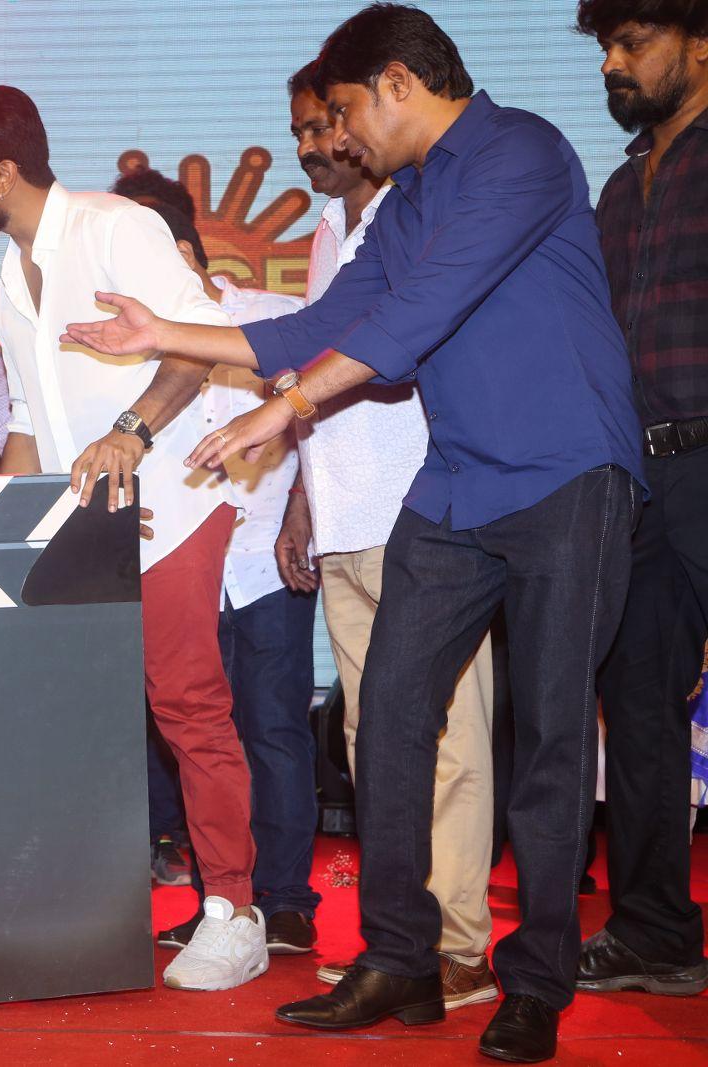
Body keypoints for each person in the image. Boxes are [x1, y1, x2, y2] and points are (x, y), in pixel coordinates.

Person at [64, 6, 643, 1061]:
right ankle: (399, 957)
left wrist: (284, 407)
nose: (334, 137)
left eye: (341, 113)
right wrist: (166, 331)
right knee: (386, 714)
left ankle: (535, 982)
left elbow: (416, 318)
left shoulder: (521, 152)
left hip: (568, 473)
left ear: (396, 85)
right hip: (457, 486)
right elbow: (319, 321)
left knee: (551, 735)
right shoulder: (406, 202)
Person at [0, 84, 267, 993]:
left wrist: (132, 433)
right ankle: (78, 900)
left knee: (188, 704)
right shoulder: (10, 274)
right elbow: (29, 424)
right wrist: (1, 519)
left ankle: (236, 912)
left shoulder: (117, 227)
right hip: (84, 520)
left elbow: (203, 343)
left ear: (3, 171)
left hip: (172, 502)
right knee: (71, 707)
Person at [277, 57, 500, 1014]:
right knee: (375, 740)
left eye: (327, 119)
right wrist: (302, 501)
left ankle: (461, 945)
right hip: (344, 520)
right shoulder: (328, 233)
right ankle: (398, 944)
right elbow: (317, 381)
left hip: (427, 516)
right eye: (302, 128)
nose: (313, 143)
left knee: (450, 737)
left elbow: (396, 361)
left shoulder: (423, 216)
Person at [142, 201, 323, 956]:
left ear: (186, 253)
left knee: (275, 730)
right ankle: (220, 899)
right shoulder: (143, 342)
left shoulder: (275, 318)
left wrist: (301, 513)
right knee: (196, 739)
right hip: (183, 565)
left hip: (263, 559)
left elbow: (318, 423)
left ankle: (287, 901)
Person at [577, 0, 708, 999]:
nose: (612, 62)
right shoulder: (620, 187)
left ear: (700, 43)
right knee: (639, 709)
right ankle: (656, 932)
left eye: (633, 43)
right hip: (642, 482)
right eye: (605, 46)